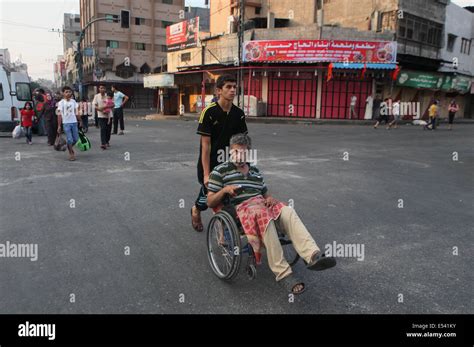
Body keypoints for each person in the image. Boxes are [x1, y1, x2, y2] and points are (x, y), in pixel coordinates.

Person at [207, 134, 336, 295]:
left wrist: (270, 199)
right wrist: (225, 190)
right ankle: (284, 275)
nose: (238, 155)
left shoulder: (255, 171)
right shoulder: (220, 171)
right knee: (263, 216)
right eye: (235, 152)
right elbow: (210, 201)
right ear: (230, 152)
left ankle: (313, 256)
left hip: (261, 206)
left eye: (242, 152)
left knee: (287, 211)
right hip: (240, 211)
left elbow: (265, 194)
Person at [190, 75, 248, 232]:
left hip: (229, 162)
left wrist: (245, 166)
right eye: (228, 87)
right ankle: (196, 209)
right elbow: (205, 146)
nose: (233, 90)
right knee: (209, 193)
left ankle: (224, 233)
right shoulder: (208, 112)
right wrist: (207, 174)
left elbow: (242, 142)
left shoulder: (239, 114)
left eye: (235, 87)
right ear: (218, 91)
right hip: (210, 162)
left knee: (229, 197)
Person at [57, 86, 82, 161]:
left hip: (74, 122)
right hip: (66, 123)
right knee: (70, 139)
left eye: (69, 92)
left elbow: (76, 112)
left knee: (76, 139)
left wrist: (80, 120)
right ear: (63, 93)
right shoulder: (61, 103)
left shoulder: (73, 101)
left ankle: (68, 147)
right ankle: (71, 153)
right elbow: (59, 115)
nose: (68, 93)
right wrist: (59, 126)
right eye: (66, 92)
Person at [93, 85, 113, 150]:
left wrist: (106, 107)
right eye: (101, 88)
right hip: (101, 115)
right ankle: (103, 143)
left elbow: (113, 104)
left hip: (109, 115)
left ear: (105, 89)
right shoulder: (96, 96)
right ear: (99, 89)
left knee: (108, 130)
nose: (102, 89)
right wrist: (100, 109)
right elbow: (95, 105)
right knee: (103, 129)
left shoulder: (108, 95)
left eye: (103, 88)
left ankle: (107, 141)